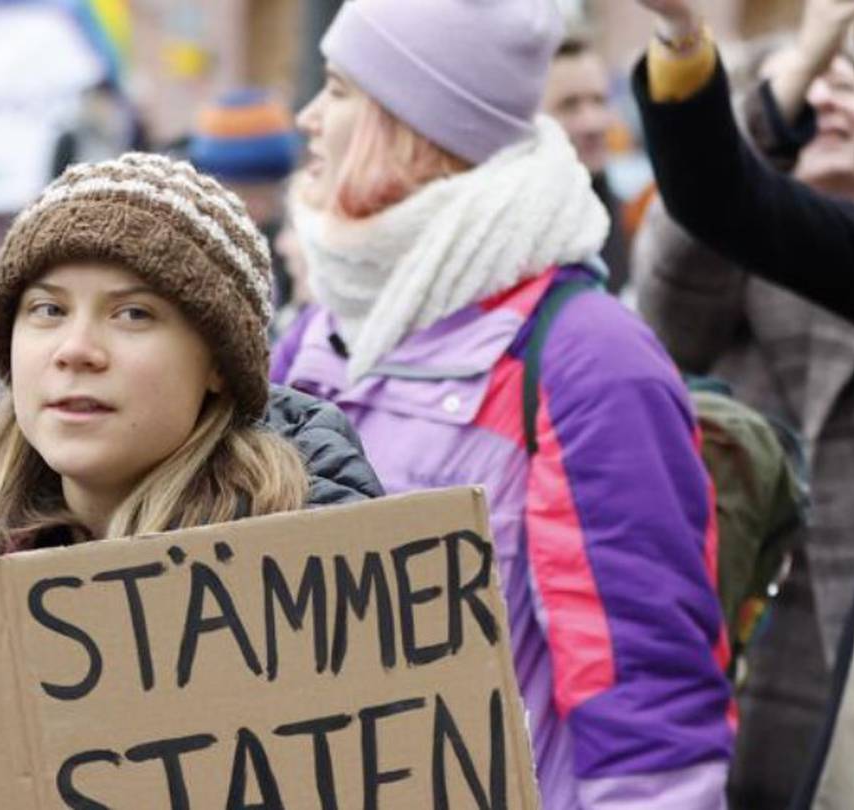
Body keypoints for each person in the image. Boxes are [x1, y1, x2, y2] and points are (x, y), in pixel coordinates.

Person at [269, 0, 733, 805]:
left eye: (338, 90)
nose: (309, 118)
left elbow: (649, 716)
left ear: (416, 125)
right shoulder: (315, 336)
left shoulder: (589, 364)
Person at [0, 153, 380, 562]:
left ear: (218, 364)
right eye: (48, 310)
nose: (76, 351)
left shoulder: (321, 556)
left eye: (133, 314)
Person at [634, 6, 854, 803]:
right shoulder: (778, 250)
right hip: (776, 664)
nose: (833, 106)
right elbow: (713, 194)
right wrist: (688, 42)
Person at [633, 0, 854, 325]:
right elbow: (710, 193)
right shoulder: (757, 235)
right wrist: (681, 28)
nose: (821, 99)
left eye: (843, 87)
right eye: (798, 96)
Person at [186, 88, 303, 307]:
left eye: (267, 194)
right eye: (243, 193)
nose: (257, 210)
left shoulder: (289, 246)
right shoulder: (186, 248)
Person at [542, 37, 631, 293]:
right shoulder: (521, 238)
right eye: (569, 105)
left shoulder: (633, 220)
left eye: (599, 101)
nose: (592, 122)